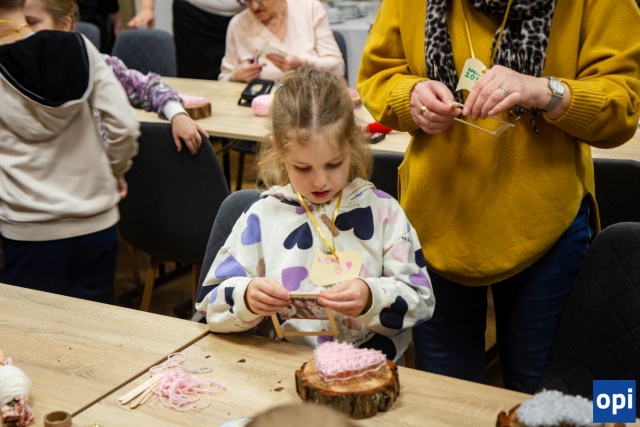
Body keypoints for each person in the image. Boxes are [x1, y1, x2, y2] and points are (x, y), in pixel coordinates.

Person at [356, 0, 640, 393]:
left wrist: (545, 90)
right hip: (438, 221)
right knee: (449, 400)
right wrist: (411, 95)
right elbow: (378, 75)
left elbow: (622, 105)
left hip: (546, 226)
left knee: (539, 399)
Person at [195, 66, 435, 363]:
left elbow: (421, 300)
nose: (320, 181)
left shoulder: (383, 213)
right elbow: (209, 307)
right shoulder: (262, 218)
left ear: (353, 142)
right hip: (284, 366)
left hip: (370, 368)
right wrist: (246, 297)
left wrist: (371, 297)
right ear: (280, 151)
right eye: (303, 168)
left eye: (333, 164)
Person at [0, 0, 139, 303]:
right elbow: (125, 126)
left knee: (31, 330)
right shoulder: (80, 47)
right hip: (96, 220)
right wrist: (115, 170)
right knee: (93, 326)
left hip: (28, 227)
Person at [24, 0, 207, 154]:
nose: (21, 31)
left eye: (31, 22)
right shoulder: (14, 78)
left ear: (64, 24)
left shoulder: (95, 66)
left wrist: (177, 115)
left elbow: (147, 87)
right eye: (13, 22)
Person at [217, 0, 344, 83]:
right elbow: (222, 80)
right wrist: (235, 76)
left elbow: (338, 68)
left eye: (259, 0)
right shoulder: (238, 24)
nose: (255, 6)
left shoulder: (309, 8)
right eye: (247, 1)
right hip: (257, 105)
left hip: (311, 103)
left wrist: (305, 65)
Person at [127, 0, 243, 80]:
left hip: (243, 18)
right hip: (192, 18)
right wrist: (147, 8)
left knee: (242, 77)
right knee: (191, 79)